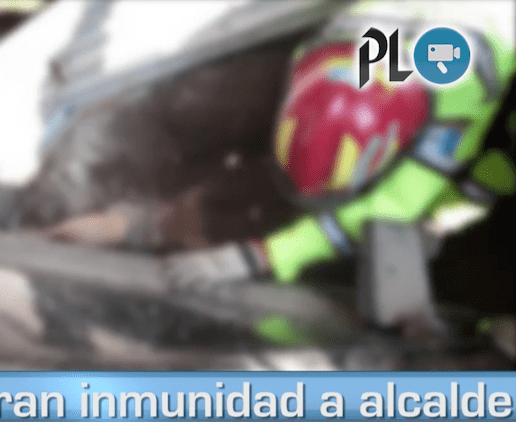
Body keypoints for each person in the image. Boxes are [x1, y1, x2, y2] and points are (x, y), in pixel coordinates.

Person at [160, 0, 516, 290]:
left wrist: (267, 255)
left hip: (491, 33)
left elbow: (394, 207)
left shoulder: (461, 92)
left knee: (490, 177)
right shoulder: (319, 45)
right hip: (417, 24)